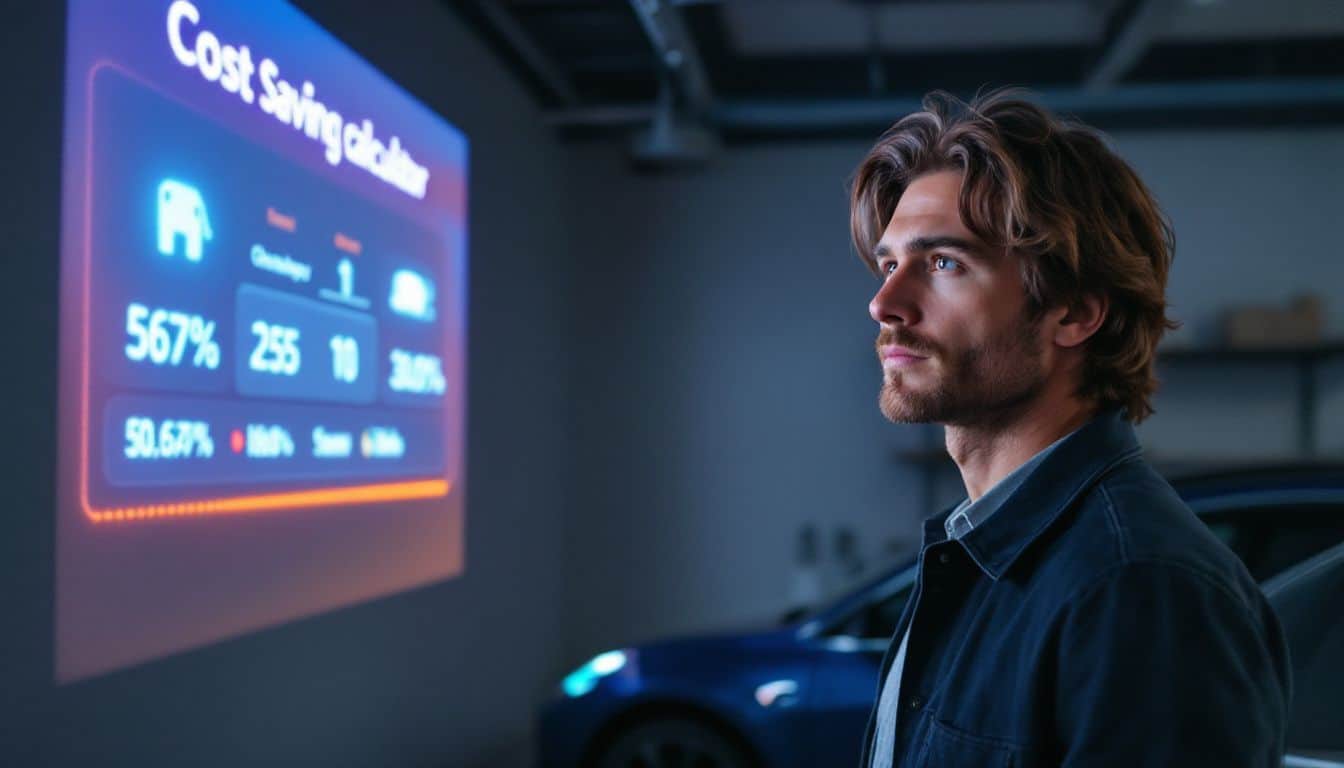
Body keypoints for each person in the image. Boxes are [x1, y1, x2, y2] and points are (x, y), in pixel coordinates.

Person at [851, 89, 1291, 767]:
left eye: (944, 264)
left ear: (1075, 314)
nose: (885, 303)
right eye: (889, 264)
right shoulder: (972, 555)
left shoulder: (1140, 586)